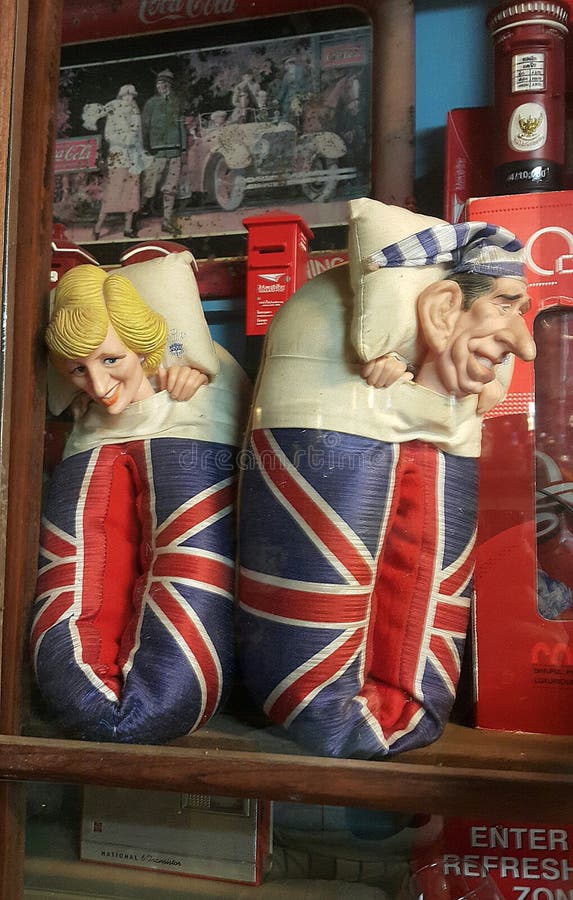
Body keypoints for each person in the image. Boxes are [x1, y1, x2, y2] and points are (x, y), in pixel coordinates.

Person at [236, 210, 537, 760]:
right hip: (325, 424)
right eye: (504, 306)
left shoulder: (467, 370)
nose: (526, 345)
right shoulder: (334, 319)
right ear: (444, 309)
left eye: (522, 310)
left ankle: (390, 693)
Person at [34, 263, 248, 744]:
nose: (98, 385)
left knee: (186, 553)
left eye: (111, 360)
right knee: (88, 554)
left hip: (181, 436)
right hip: (103, 447)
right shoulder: (87, 415)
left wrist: (193, 371)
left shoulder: (189, 381)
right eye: (79, 370)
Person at [82, 84, 145, 240]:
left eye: (131, 96)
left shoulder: (135, 114)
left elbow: (139, 137)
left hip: (133, 159)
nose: (129, 98)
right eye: (126, 95)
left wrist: (139, 153)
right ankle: (97, 228)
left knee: (132, 193)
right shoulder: (114, 112)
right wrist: (125, 139)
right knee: (113, 193)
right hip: (118, 157)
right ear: (121, 97)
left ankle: (128, 228)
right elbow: (109, 135)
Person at [140, 69, 187, 235]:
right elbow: (144, 127)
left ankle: (166, 221)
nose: (162, 86)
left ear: (170, 85)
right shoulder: (151, 104)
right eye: (159, 84)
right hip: (157, 152)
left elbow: (181, 125)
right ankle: (138, 213)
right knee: (151, 185)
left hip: (174, 151)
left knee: (171, 187)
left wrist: (183, 148)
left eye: (165, 83)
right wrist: (146, 148)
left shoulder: (176, 102)